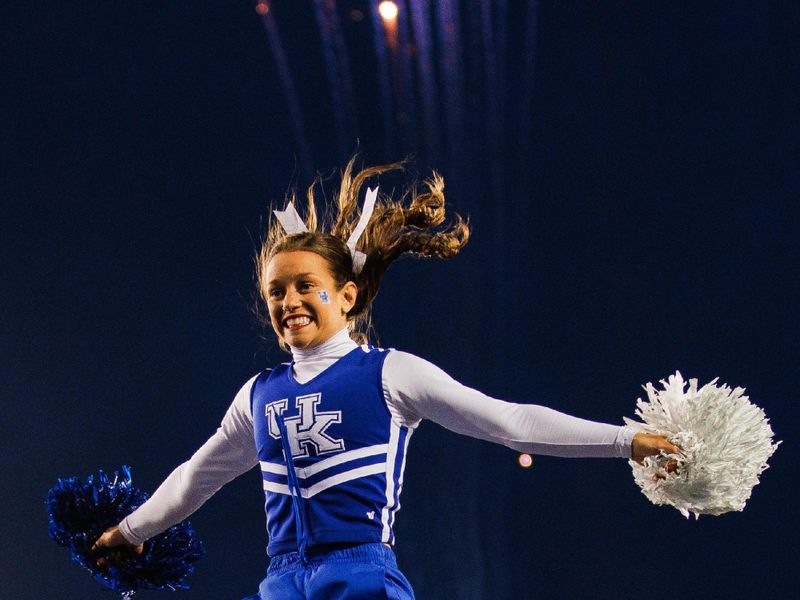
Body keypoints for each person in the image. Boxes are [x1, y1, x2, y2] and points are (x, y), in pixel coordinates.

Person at [93, 158, 680, 599]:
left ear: (346, 296)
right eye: (276, 291)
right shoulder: (258, 395)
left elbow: (511, 422)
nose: (289, 300)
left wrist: (627, 440)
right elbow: (197, 477)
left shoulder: (390, 374)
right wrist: (130, 529)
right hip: (280, 585)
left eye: (305, 286)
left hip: (362, 579)